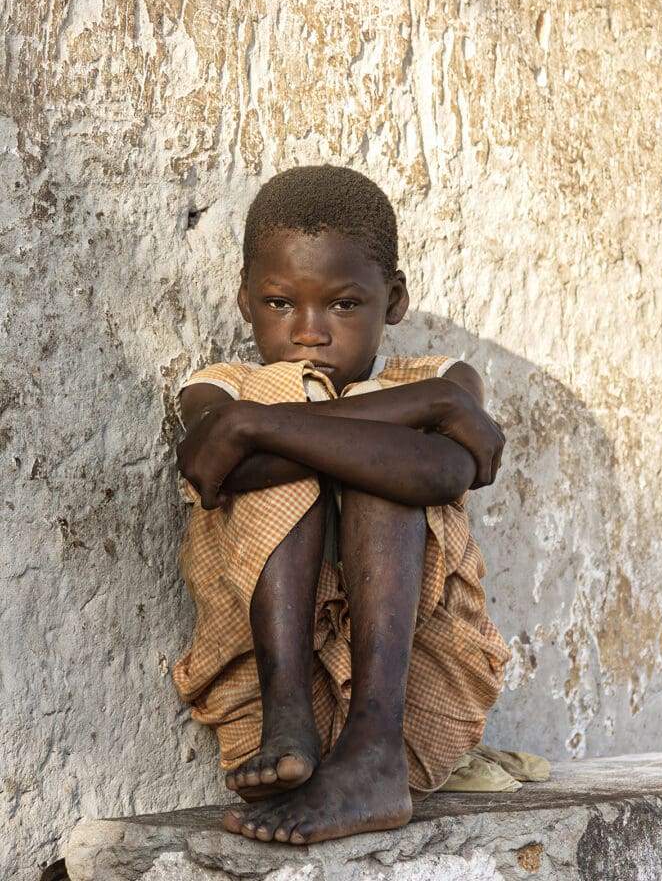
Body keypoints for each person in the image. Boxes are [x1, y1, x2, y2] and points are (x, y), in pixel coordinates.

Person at [174, 165, 510, 845]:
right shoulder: (222, 391)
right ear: (245, 300)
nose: (310, 332)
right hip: (264, 733)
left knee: (373, 456)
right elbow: (213, 463)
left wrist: (254, 431)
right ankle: (290, 708)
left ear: (393, 299)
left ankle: (371, 757)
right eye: (279, 304)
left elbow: (443, 474)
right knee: (302, 405)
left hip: (416, 706)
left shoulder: (440, 380)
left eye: (344, 305)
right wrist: (250, 420)